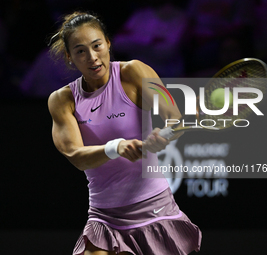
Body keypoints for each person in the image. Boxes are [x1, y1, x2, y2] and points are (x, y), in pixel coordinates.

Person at [47, 11, 201, 255]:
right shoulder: (62, 100)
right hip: (104, 219)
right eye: (80, 51)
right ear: (69, 57)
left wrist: (166, 134)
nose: (92, 57)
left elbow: (176, 119)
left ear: (108, 43)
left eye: (97, 46)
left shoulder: (135, 72)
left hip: (155, 211)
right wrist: (116, 147)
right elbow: (76, 155)